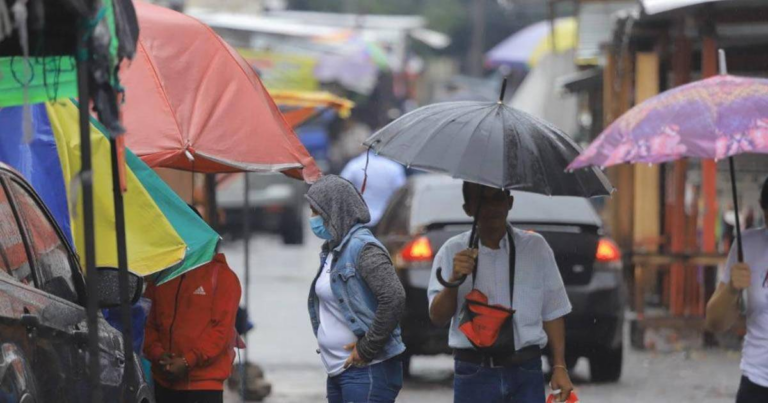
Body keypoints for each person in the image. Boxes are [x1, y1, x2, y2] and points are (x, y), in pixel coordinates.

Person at [428, 182, 574, 403]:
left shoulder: (535, 247)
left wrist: (560, 367)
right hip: (473, 372)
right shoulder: (452, 251)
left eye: (497, 198)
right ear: (468, 208)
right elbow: (437, 317)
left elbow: (553, 311)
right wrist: (454, 280)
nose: (490, 207)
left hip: (526, 371)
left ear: (510, 202)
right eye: (481, 200)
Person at [305, 175, 406, 403]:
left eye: (316, 211)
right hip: (339, 370)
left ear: (334, 211)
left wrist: (367, 348)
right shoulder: (332, 251)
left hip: (367, 370)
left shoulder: (363, 248)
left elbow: (394, 298)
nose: (312, 219)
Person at [143, 206, 242, 403]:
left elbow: (220, 332)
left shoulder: (222, 277)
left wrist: (188, 361)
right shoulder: (161, 276)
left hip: (204, 385)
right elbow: (148, 321)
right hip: (163, 380)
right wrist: (159, 355)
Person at [706, 177, 768, 403]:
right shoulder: (747, 246)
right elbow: (715, 323)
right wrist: (732, 288)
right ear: (763, 207)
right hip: (758, 383)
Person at [340, 149, 406, 227]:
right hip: (385, 220)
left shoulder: (355, 164)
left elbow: (340, 187)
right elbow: (401, 193)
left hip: (359, 219)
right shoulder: (394, 168)